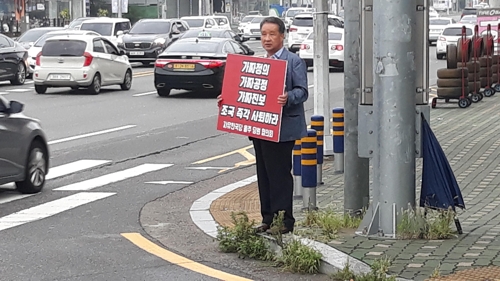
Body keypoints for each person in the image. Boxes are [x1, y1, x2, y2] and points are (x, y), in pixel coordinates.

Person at [217, 17, 308, 234]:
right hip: (260, 128)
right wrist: (226, 99)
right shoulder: (258, 64)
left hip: (283, 129)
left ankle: (284, 222)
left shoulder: (293, 61)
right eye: (264, 34)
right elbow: (245, 92)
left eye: (272, 34)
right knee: (264, 175)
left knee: (279, 175)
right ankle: (267, 219)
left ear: (282, 35)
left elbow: (302, 91)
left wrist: (288, 97)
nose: (267, 39)